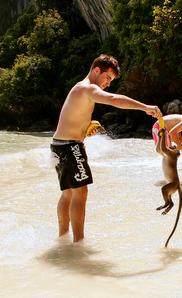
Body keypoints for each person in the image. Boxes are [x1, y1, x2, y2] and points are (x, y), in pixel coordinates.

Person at [50, 54, 162, 242]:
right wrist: (145, 107)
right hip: (70, 146)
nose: (108, 83)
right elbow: (113, 99)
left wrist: (85, 130)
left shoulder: (79, 88)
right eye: (108, 78)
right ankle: (78, 242)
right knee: (80, 192)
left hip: (60, 144)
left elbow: (72, 120)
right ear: (97, 71)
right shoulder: (87, 88)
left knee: (68, 192)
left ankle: (63, 237)